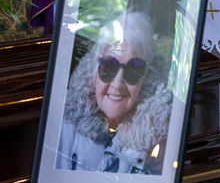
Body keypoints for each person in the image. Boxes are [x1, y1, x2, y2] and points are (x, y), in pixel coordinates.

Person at [57, 11, 171, 174]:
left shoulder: (159, 136)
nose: (118, 84)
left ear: (146, 78)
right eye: (109, 66)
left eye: (133, 69)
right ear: (94, 70)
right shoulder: (66, 125)